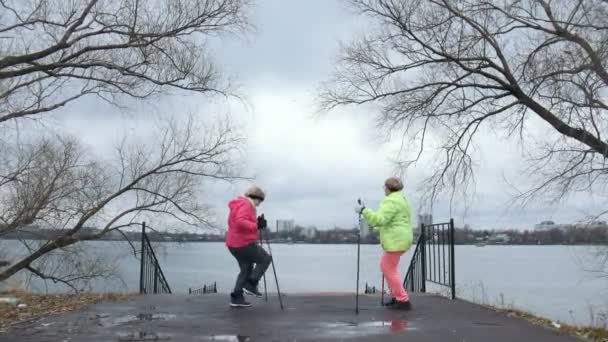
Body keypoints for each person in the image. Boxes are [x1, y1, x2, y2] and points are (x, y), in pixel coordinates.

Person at [355, 176, 414, 310]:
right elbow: (392, 221)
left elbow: (380, 220)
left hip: (396, 240)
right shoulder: (401, 199)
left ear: (388, 188)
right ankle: (397, 297)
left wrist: (363, 210)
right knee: (388, 267)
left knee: (388, 268)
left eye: (384, 187)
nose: (384, 190)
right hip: (401, 238)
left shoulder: (390, 201)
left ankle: (403, 300)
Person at [226, 186, 272, 308]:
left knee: (246, 268)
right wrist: (256, 224)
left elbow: (238, 221)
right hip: (243, 243)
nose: (259, 204)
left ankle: (237, 297)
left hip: (233, 244)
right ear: (257, 197)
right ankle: (251, 284)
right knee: (265, 259)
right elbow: (240, 221)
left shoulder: (239, 204)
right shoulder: (247, 205)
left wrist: (255, 222)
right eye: (260, 201)